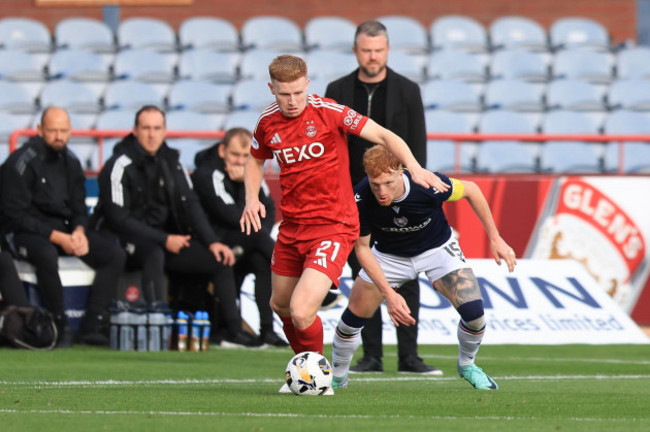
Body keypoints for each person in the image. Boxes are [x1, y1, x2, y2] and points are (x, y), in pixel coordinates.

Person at [239, 54, 448, 394]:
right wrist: (251, 199)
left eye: (297, 92)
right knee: (279, 305)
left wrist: (415, 167)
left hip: (334, 224)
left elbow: (384, 135)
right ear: (271, 89)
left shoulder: (329, 112)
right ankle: (307, 369)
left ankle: (317, 377)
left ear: (307, 84)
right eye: (283, 94)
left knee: (302, 309)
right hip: (292, 227)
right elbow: (254, 159)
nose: (292, 102)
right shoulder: (267, 122)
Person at [330, 145, 517, 390]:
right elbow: (362, 249)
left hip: (437, 250)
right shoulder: (360, 198)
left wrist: (495, 237)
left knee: (475, 315)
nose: (381, 192)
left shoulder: (427, 184)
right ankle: (337, 377)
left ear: (401, 171)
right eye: (375, 184)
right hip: (388, 256)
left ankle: (467, 365)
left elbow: (472, 190)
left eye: (387, 182)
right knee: (351, 321)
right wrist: (389, 294)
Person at [92, 105, 261, 348]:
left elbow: (192, 207)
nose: (152, 134)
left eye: (157, 128)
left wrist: (212, 241)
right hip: (124, 240)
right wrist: (163, 239)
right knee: (154, 253)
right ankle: (157, 327)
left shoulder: (172, 163)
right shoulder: (118, 164)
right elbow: (118, 218)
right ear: (135, 131)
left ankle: (233, 331)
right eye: (146, 128)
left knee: (220, 258)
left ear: (164, 131)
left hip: (167, 240)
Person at [325, 20, 437, 374]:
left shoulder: (407, 89)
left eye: (378, 50)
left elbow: (416, 146)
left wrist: (413, 190)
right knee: (364, 276)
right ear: (356, 50)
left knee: (410, 272)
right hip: (354, 200)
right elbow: (330, 147)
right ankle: (370, 355)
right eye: (365, 50)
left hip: (399, 195)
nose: (372, 57)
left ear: (387, 50)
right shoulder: (337, 89)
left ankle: (409, 356)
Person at [0, 106, 126, 347]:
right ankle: (60, 324)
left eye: (63, 130)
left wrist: (79, 231)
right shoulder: (21, 163)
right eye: (53, 130)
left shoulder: (71, 161)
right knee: (46, 254)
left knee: (114, 254)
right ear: (39, 130)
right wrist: (58, 237)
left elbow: (79, 207)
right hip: (25, 233)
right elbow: (15, 216)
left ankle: (91, 325)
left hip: (64, 232)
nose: (59, 135)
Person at [192, 127, 288, 347]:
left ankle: (267, 330)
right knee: (257, 237)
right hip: (215, 240)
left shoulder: (250, 170)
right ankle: (295, 270)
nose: (240, 161)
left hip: (246, 238)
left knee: (262, 260)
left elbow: (269, 209)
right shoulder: (207, 173)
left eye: (246, 156)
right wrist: (242, 183)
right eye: (235, 155)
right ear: (222, 150)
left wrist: (246, 179)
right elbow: (227, 214)